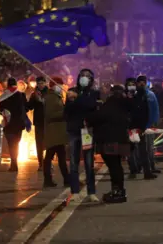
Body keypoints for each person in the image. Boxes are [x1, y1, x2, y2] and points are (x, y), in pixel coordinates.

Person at [86, 85, 130, 203]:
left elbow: (96, 118)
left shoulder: (109, 105)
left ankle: (117, 192)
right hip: (121, 140)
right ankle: (119, 190)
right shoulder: (125, 106)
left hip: (109, 141)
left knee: (113, 166)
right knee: (117, 166)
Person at [64, 68, 100, 202]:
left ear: (91, 79)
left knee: (89, 163)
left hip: (87, 131)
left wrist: (77, 99)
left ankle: (91, 192)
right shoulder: (71, 91)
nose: (84, 78)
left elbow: (91, 105)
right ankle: (75, 191)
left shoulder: (94, 93)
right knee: (73, 163)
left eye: (87, 76)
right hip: (74, 130)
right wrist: (71, 100)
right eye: (82, 75)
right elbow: (67, 111)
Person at [125, 78, 155, 180]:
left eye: (133, 84)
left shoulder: (142, 96)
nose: (132, 86)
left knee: (143, 150)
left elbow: (145, 111)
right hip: (129, 127)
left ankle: (147, 172)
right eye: (129, 85)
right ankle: (133, 168)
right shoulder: (125, 97)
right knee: (131, 150)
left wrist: (143, 126)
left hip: (139, 127)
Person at [42, 77, 70, 187]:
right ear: (55, 85)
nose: (62, 87)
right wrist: (65, 112)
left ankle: (65, 179)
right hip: (53, 131)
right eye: (60, 85)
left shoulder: (56, 97)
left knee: (59, 156)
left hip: (58, 132)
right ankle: (49, 179)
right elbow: (50, 115)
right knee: (51, 156)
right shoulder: (50, 98)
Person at [0, 78, 28, 172]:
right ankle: (14, 163)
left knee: (11, 144)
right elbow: (26, 108)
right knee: (16, 143)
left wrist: (6, 113)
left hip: (9, 124)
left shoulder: (4, 96)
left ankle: (13, 164)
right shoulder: (21, 95)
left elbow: (0, 110)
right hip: (19, 124)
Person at [137, 75, 161, 174]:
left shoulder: (151, 95)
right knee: (140, 148)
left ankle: (151, 166)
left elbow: (156, 108)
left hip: (150, 125)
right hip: (139, 126)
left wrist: (156, 121)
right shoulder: (135, 95)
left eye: (144, 81)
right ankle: (140, 166)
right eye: (140, 81)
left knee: (150, 147)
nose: (142, 83)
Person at [27, 76, 48, 171]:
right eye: (39, 83)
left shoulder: (49, 93)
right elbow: (29, 107)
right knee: (39, 143)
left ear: (45, 83)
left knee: (48, 143)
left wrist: (43, 101)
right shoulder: (34, 94)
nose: (41, 85)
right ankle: (41, 163)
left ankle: (48, 162)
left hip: (48, 121)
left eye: (42, 83)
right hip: (38, 122)